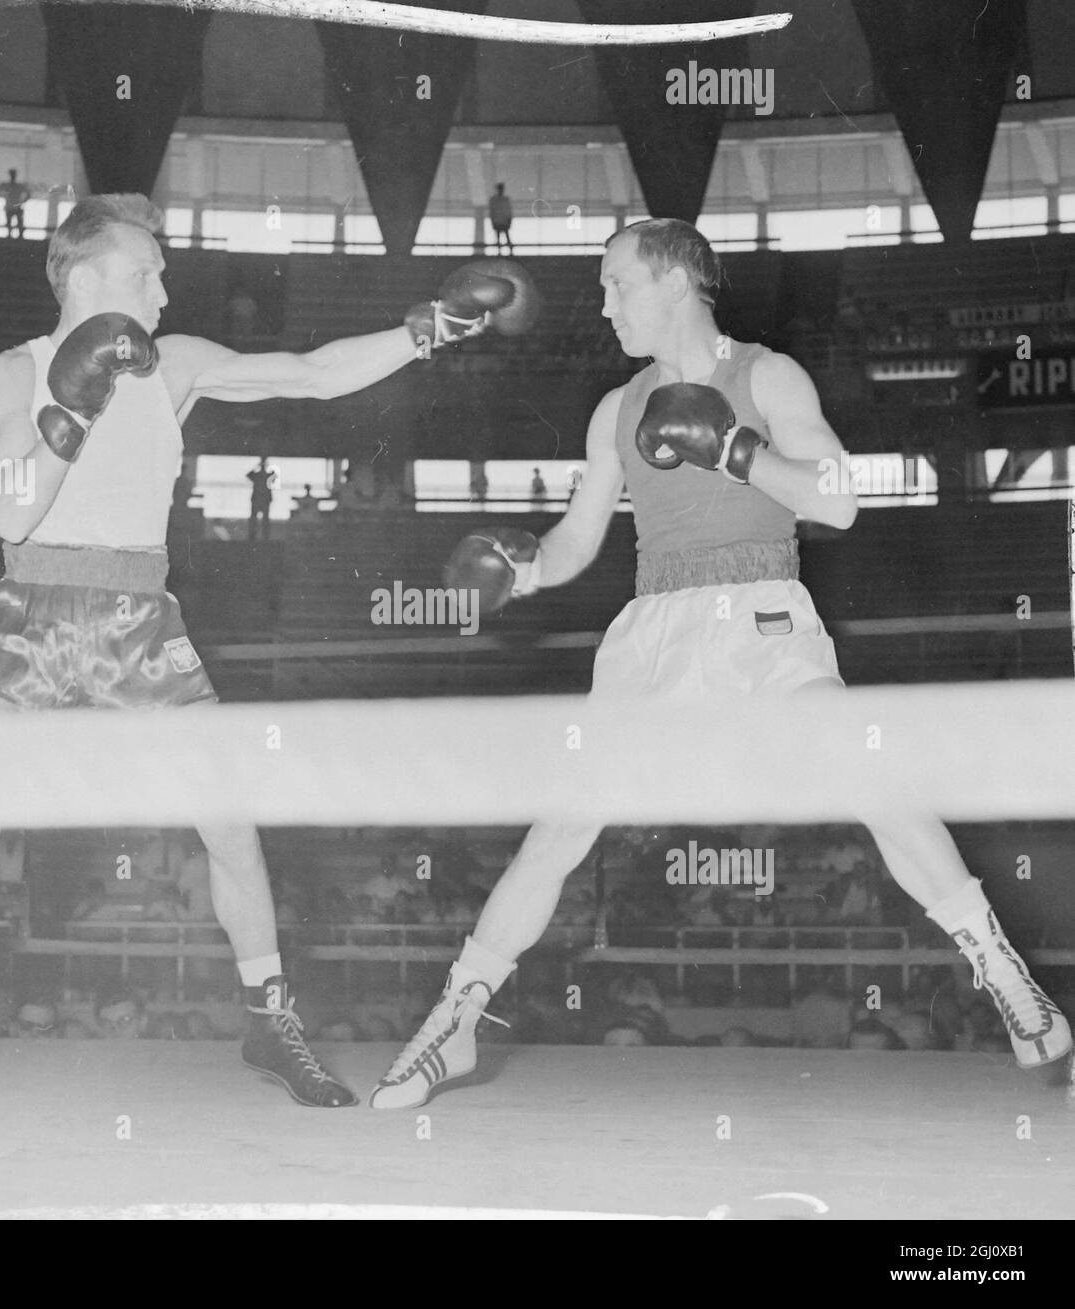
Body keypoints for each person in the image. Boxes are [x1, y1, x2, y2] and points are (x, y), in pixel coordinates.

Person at [0, 193, 537, 1108]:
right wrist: (72, 404)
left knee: (228, 821)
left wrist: (432, 328)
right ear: (83, 275)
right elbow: (10, 508)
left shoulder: (178, 367)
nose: (164, 291)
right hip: (32, 612)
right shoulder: (10, 374)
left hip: (139, 614)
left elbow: (315, 374)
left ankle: (271, 1019)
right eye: (145, 272)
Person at [369, 217, 1072, 1109]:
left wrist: (737, 450)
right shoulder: (614, 408)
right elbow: (583, 536)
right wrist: (526, 568)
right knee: (561, 826)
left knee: (867, 765)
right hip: (653, 627)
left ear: (672, 280)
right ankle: (455, 1022)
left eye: (617, 282)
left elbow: (841, 502)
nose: (604, 302)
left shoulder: (767, 375)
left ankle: (1002, 974)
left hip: (762, 617)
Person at [0, 169, 30, 239]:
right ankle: (13, 235)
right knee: (11, 223)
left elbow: (28, 194)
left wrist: (24, 200)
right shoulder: (10, 185)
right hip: (12, 207)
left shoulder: (14, 186)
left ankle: (19, 235)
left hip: (14, 207)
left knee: (18, 223)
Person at [246, 457, 275, 541]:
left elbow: (274, 476)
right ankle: (256, 536)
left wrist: (258, 466)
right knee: (256, 520)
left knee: (261, 520)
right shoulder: (263, 475)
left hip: (261, 500)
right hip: (260, 499)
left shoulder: (262, 475)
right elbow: (248, 475)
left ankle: (262, 536)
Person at [488, 182, 514, 256]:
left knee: (503, 237)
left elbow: (508, 211)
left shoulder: (500, 200)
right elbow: (493, 212)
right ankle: (503, 252)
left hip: (502, 221)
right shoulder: (498, 200)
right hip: (500, 221)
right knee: (501, 237)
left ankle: (507, 252)